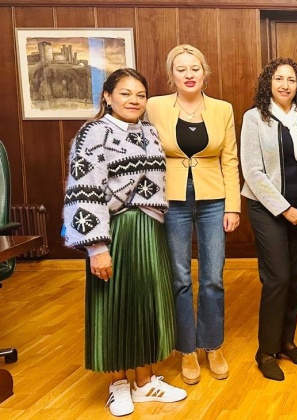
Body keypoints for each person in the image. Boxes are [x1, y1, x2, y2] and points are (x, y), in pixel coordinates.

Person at [63, 68, 187, 417]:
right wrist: (96, 248)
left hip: (148, 229)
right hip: (115, 232)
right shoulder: (92, 134)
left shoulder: (148, 130)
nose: (133, 100)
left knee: (147, 303)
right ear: (107, 96)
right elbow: (83, 191)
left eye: (140, 95)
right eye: (125, 93)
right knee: (114, 304)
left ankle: (145, 381)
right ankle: (118, 384)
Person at [147, 44, 240, 385]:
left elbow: (229, 159)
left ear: (205, 72)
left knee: (213, 277)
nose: (189, 75)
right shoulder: (154, 106)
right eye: (181, 69)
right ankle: (187, 349)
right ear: (171, 75)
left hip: (213, 198)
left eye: (195, 68)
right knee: (180, 278)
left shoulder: (222, 109)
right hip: (171, 200)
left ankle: (212, 345)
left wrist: (233, 205)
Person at [240, 57, 297, 381]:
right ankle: (265, 351)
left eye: (291, 80)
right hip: (269, 211)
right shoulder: (254, 118)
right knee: (277, 279)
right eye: (279, 79)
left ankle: (286, 342)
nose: (285, 85)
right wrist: (285, 209)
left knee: (295, 277)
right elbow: (253, 171)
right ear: (269, 83)